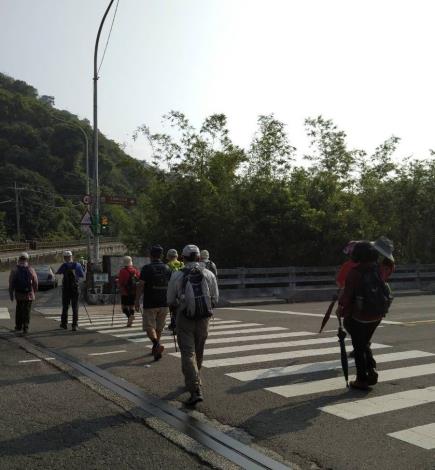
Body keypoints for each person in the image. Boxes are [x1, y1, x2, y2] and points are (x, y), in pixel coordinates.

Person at [167, 244, 219, 406]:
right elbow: (215, 299)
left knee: (188, 352)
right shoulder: (209, 273)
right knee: (199, 349)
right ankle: (196, 377)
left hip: (185, 317)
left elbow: (170, 300)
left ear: (183, 258)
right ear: (198, 257)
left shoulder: (177, 275)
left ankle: (195, 388)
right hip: (204, 318)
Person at [338, 241, 392, 390]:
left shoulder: (354, 272)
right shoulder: (378, 269)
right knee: (364, 342)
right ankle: (371, 369)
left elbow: (347, 296)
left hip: (360, 315)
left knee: (359, 346)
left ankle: (362, 379)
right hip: (377, 314)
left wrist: (340, 308)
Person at [135, 245, 172, 361]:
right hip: (164, 302)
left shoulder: (147, 268)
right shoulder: (167, 268)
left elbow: (141, 285)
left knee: (149, 326)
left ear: (150, 255)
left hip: (150, 302)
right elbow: (172, 284)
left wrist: (137, 300)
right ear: (161, 255)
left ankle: (156, 345)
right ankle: (155, 349)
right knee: (159, 327)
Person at [9, 252, 38, 335]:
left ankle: (18, 326)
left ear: (19, 259)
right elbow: (35, 282)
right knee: (27, 311)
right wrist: (34, 292)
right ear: (27, 259)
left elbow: (11, 284)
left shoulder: (14, 270)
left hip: (19, 294)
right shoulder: (30, 269)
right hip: (29, 295)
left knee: (19, 310)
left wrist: (11, 294)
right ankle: (25, 327)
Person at [56, 250, 85, 331]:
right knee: (75, 307)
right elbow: (82, 275)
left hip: (66, 289)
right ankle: (74, 325)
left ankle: (64, 324)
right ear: (71, 257)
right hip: (75, 289)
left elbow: (58, 272)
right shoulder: (77, 265)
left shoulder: (64, 265)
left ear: (65, 258)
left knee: (65, 307)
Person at [117, 256, 140, 327]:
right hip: (133, 291)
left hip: (125, 292)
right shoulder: (135, 270)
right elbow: (139, 279)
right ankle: (130, 319)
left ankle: (130, 316)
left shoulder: (122, 271)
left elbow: (120, 282)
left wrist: (117, 282)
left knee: (124, 307)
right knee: (131, 306)